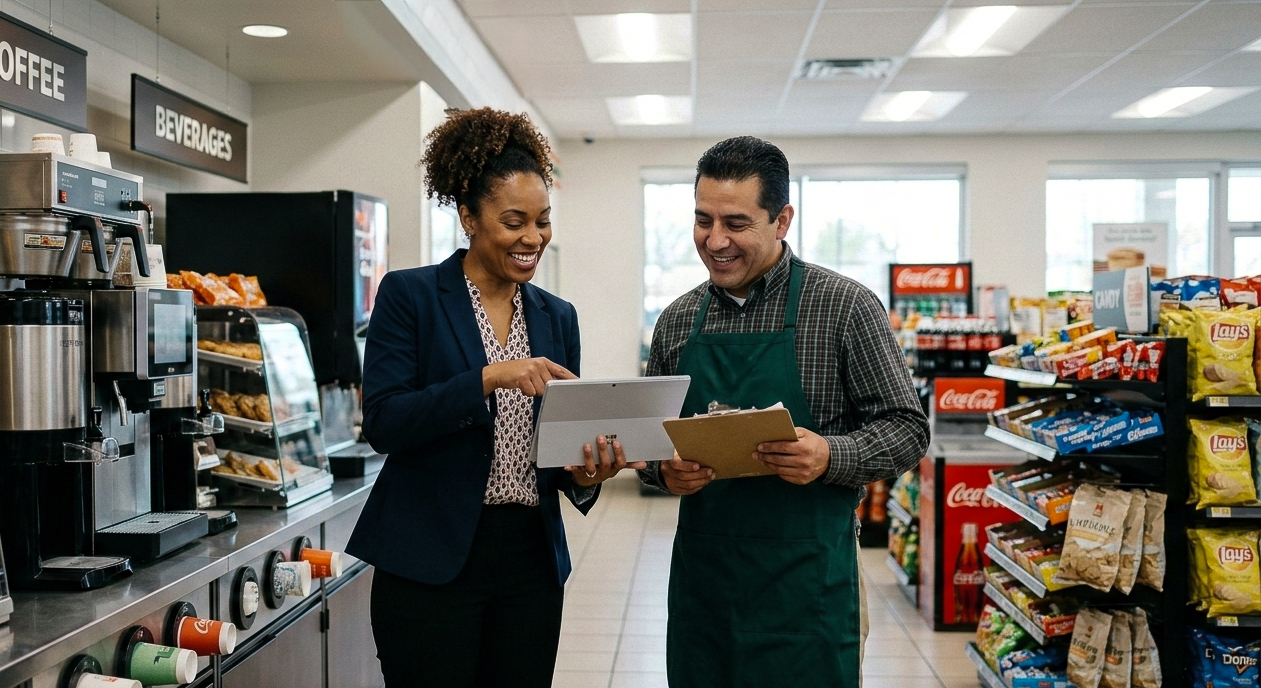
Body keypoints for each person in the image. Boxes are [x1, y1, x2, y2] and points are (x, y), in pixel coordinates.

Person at [347, 107, 642, 688]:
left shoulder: (558, 317)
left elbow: (555, 451)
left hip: (529, 561)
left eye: (543, 220)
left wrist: (591, 472)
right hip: (431, 557)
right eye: (514, 221)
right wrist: (487, 378)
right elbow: (384, 421)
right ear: (469, 218)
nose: (532, 238)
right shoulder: (411, 296)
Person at [640, 136, 930, 688]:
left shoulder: (844, 307)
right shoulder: (678, 321)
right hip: (708, 590)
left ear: (782, 220)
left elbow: (909, 428)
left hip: (808, 588)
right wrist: (664, 470)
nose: (715, 240)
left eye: (736, 223)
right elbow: (653, 443)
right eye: (703, 220)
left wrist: (830, 454)